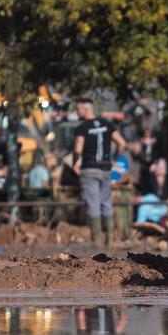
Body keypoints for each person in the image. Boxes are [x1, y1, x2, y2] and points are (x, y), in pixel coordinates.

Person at [71, 99, 126, 243]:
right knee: (106, 203)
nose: (77, 112)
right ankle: (110, 241)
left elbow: (78, 149)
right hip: (105, 169)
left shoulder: (82, 127)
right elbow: (122, 143)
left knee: (93, 204)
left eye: (78, 109)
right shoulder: (107, 124)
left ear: (85, 110)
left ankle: (96, 242)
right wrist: (114, 158)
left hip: (89, 169)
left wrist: (75, 162)